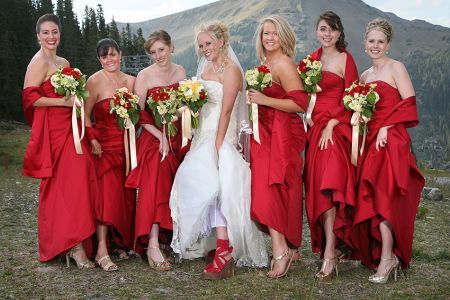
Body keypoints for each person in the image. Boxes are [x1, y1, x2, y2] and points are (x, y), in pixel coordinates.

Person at [169, 21, 267, 280]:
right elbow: (201, 106)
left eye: (208, 44)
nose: (204, 49)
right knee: (202, 185)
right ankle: (219, 245)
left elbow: (225, 110)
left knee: (220, 188)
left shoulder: (232, 70)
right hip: (204, 134)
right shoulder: (205, 69)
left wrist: (218, 144)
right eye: (200, 46)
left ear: (221, 42)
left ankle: (225, 248)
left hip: (222, 134)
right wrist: (181, 110)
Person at [351, 18, 425, 284]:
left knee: (384, 196)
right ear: (365, 43)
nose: (375, 46)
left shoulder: (396, 68)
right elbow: (367, 112)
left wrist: (387, 126)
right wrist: (361, 119)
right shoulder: (364, 76)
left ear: (388, 43)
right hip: (372, 140)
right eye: (371, 41)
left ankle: (387, 258)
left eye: (380, 41)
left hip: (391, 139)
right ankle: (385, 255)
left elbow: (409, 104)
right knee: (374, 196)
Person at [22, 14, 96, 268]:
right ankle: (72, 247)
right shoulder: (38, 62)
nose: (51, 37)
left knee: (78, 183)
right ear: (38, 36)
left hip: (70, 128)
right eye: (45, 33)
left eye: (55, 32)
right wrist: (61, 102)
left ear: (60, 34)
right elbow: (30, 99)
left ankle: (75, 241)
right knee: (63, 186)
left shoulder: (63, 61)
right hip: (54, 132)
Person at [247, 15, 308, 278]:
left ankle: (280, 250)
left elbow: (300, 105)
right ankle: (288, 247)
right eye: (265, 34)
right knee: (268, 190)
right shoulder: (265, 63)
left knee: (273, 190)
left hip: (282, 135)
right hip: (265, 133)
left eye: (273, 33)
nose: (269, 38)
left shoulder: (283, 64)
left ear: (283, 36)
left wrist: (264, 100)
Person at [302, 11, 359, 280]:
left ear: (339, 33)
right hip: (314, 130)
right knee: (318, 189)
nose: (327, 34)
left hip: (336, 128)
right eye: (323, 29)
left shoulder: (346, 59)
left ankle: (330, 253)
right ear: (317, 31)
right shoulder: (311, 60)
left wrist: (332, 124)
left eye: (333, 30)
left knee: (331, 185)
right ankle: (329, 250)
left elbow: (353, 98)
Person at [125, 30, 187, 271]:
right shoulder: (144, 76)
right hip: (154, 137)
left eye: (161, 50)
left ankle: (168, 239)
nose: (158, 56)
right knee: (155, 180)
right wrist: (161, 136)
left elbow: (185, 105)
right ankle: (151, 242)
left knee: (178, 183)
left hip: (178, 135)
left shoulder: (181, 72)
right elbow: (139, 114)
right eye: (152, 52)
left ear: (171, 47)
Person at [84, 38, 136, 271]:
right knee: (106, 197)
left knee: (124, 197)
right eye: (104, 56)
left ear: (120, 54)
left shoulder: (132, 81)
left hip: (127, 148)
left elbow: (139, 115)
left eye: (112, 54)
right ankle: (101, 249)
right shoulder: (94, 81)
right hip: (104, 148)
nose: (109, 59)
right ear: (99, 59)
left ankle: (118, 242)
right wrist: (93, 139)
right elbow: (83, 115)